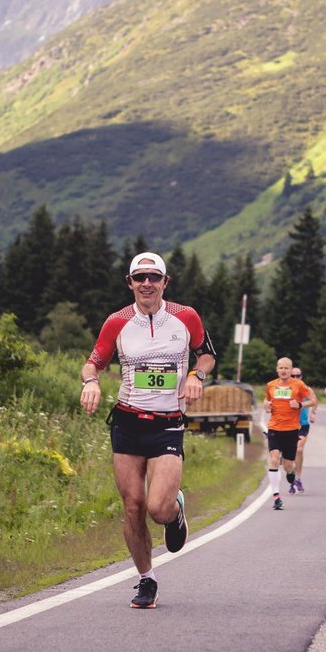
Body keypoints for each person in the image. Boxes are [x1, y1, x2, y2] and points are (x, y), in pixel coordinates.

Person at [80, 251, 216, 609]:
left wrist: (195, 375)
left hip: (168, 425)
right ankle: (146, 580)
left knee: (158, 508)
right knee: (133, 507)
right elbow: (92, 363)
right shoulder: (117, 322)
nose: (146, 283)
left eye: (154, 277)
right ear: (130, 283)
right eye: (139, 277)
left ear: (165, 282)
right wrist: (90, 383)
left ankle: (176, 510)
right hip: (127, 423)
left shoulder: (186, 317)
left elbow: (206, 355)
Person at [264, 357, 317, 510]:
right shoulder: (270, 385)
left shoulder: (298, 385)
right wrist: (266, 406)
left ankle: (291, 473)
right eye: (281, 368)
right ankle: (276, 497)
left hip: (292, 430)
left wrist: (300, 404)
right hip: (274, 428)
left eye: (287, 368)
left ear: (290, 369)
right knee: (274, 459)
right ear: (277, 369)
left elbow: (313, 401)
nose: (284, 371)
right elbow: (266, 402)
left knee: (288, 465)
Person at [289, 367, 316, 494]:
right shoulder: (285, 389)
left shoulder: (307, 389)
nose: (295, 378)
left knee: (299, 450)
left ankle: (298, 479)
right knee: (289, 455)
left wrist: (313, 413)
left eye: (297, 376)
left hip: (302, 425)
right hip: (287, 426)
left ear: (301, 377)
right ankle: (291, 478)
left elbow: (314, 401)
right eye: (293, 376)